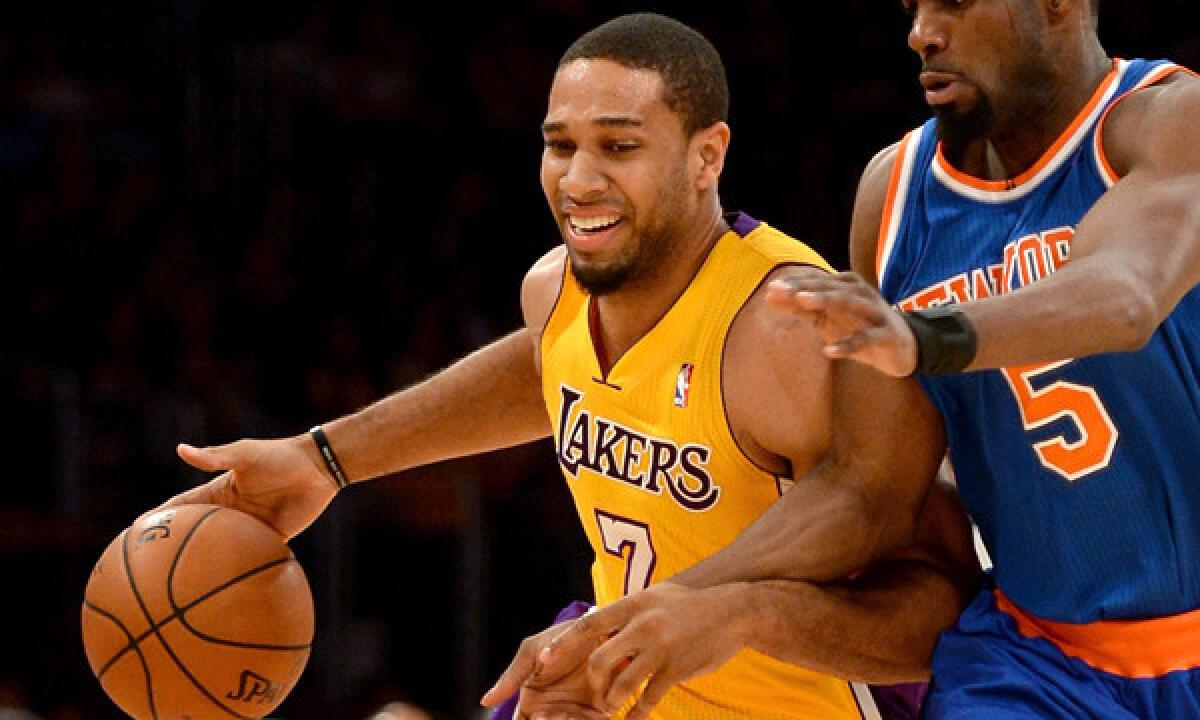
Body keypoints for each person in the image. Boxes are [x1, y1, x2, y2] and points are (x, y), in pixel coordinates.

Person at [160, 12, 979, 720]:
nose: (579, 180)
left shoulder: (789, 329)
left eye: (619, 146)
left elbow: (941, 606)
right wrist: (326, 458)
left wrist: (726, 611)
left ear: (706, 156)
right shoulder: (554, 292)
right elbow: (550, 367)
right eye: (561, 146)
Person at [536, 1, 1200, 718]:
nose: (922, 33)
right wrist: (667, 607)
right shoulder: (894, 195)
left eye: (953, 3)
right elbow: (868, 492)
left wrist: (924, 336)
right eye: (914, 9)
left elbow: (1125, 296)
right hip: (1038, 659)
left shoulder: (1168, 119)